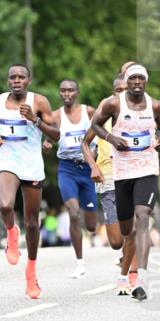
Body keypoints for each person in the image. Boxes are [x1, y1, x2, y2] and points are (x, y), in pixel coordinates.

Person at [89, 64, 160, 301]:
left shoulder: (155, 106)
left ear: (145, 82)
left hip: (147, 168)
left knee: (143, 217)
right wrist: (111, 138)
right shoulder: (114, 104)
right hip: (121, 173)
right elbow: (94, 125)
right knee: (127, 231)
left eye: (140, 79)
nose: (136, 82)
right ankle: (124, 269)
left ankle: (141, 278)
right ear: (126, 80)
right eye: (132, 78)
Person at [0, 63, 59, 299]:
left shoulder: (39, 102)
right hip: (7, 159)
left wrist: (35, 120)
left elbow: (56, 134)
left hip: (32, 164)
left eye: (21, 77)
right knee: (5, 205)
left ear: (29, 80)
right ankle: (11, 233)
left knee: (33, 223)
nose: (17, 80)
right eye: (12, 77)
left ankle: (31, 272)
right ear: (8, 81)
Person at [82, 75, 137, 295]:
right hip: (108, 178)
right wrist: (93, 166)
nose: (122, 93)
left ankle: (129, 274)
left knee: (133, 229)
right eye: (118, 90)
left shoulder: (140, 115)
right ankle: (124, 256)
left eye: (125, 89)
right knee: (115, 240)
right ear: (113, 92)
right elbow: (85, 143)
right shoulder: (103, 115)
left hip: (133, 176)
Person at [48, 79, 97, 278]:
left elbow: (100, 132)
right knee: (73, 212)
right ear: (60, 93)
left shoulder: (90, 112)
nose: (66, 93)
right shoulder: (55, 116)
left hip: (88, 170)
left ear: (77, 92)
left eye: (70, 90)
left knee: (92, 225)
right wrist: (47, 143)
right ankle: (79, 262)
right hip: (67, 169)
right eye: (63, 91)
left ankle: (89, 227)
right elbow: (50, 135)